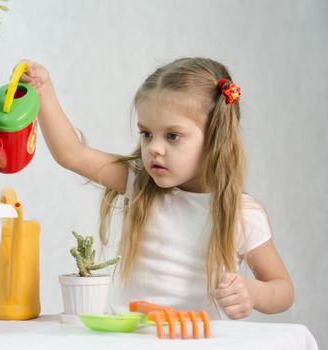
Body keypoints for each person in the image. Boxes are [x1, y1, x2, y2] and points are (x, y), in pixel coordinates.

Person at [20, 57, 294, 319]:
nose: (154, 149)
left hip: (191, 342)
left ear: (215, 138)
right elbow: (72, 154)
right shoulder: (139, 183)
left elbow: (283, 289)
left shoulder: (239, 213)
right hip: (129, 338)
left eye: (172, 136)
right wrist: (44, 93)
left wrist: (253, 292)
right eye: (146, 134)